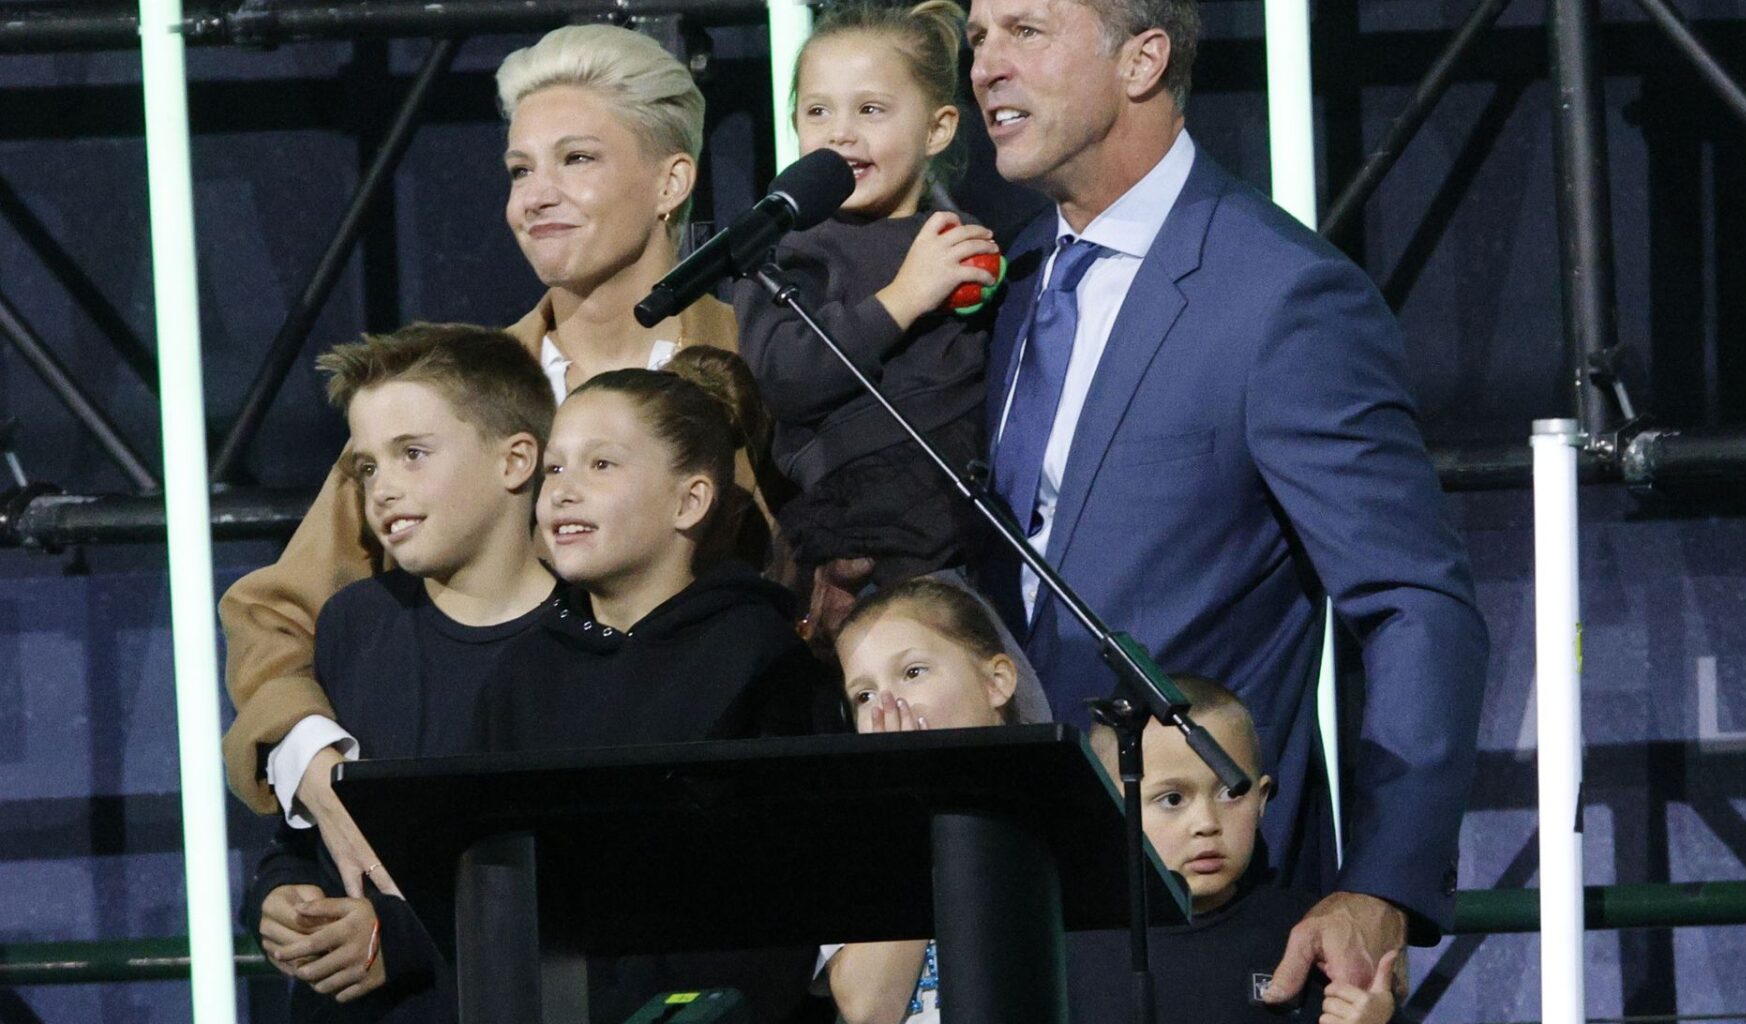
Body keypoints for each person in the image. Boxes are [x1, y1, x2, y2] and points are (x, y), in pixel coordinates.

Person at [965, 0, 1489, 997]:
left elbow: (1414, 601)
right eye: (978, 39)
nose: (987, 65)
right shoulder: (1014, 276)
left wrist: (1383, 882)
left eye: (1025, 31)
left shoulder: (1279, 295)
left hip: (1210, 930)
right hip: (1022, 909)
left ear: (1143, 59)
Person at [217, 23, 766, 897]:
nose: (535, 197)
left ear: (672, 180)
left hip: (707, 861)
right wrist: (314, 763)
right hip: (485, 880)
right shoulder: (458, 397)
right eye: (519, 170)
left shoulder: (763, 364)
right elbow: (273, 613)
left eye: (576, 159)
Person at [472, 354, 830, 1024]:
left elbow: (783, 898)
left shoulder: (759, 657)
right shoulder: (521, 674)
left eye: (601, 465)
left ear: (689, 500)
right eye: (555, 468)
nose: (563, 491)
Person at [243, 323, 558, 1023]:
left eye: (412, 454)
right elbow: (307, 839)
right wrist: (277, 897)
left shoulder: (583, 644)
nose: (382, 489)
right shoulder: (356, 622)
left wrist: (406, 939)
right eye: (368, 467)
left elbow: (579, 884)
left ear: (515, 461)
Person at [734, 0, 1000, 641]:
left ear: (938, 129)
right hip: (862, 545)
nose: (840, 133)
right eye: (817, 111)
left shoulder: (958, 238)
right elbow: (788, 377)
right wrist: (905, 297)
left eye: (870, 110)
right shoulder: (783, 250)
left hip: (973, 533)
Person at [1071, 675, 1398, 1024]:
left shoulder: (1310, 936)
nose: (1206, 823)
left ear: (1262, 799)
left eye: (1230, 792)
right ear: (1108, 807)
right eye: (1172, 799)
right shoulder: (1067, 952)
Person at [815, 575, 1049, 1024]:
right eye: (863, 695)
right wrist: (914, 809)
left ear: (996, 681)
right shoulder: (864, 842)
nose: (888, 706)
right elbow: (868, 1008)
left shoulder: (1054, 817)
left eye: (913, 672)